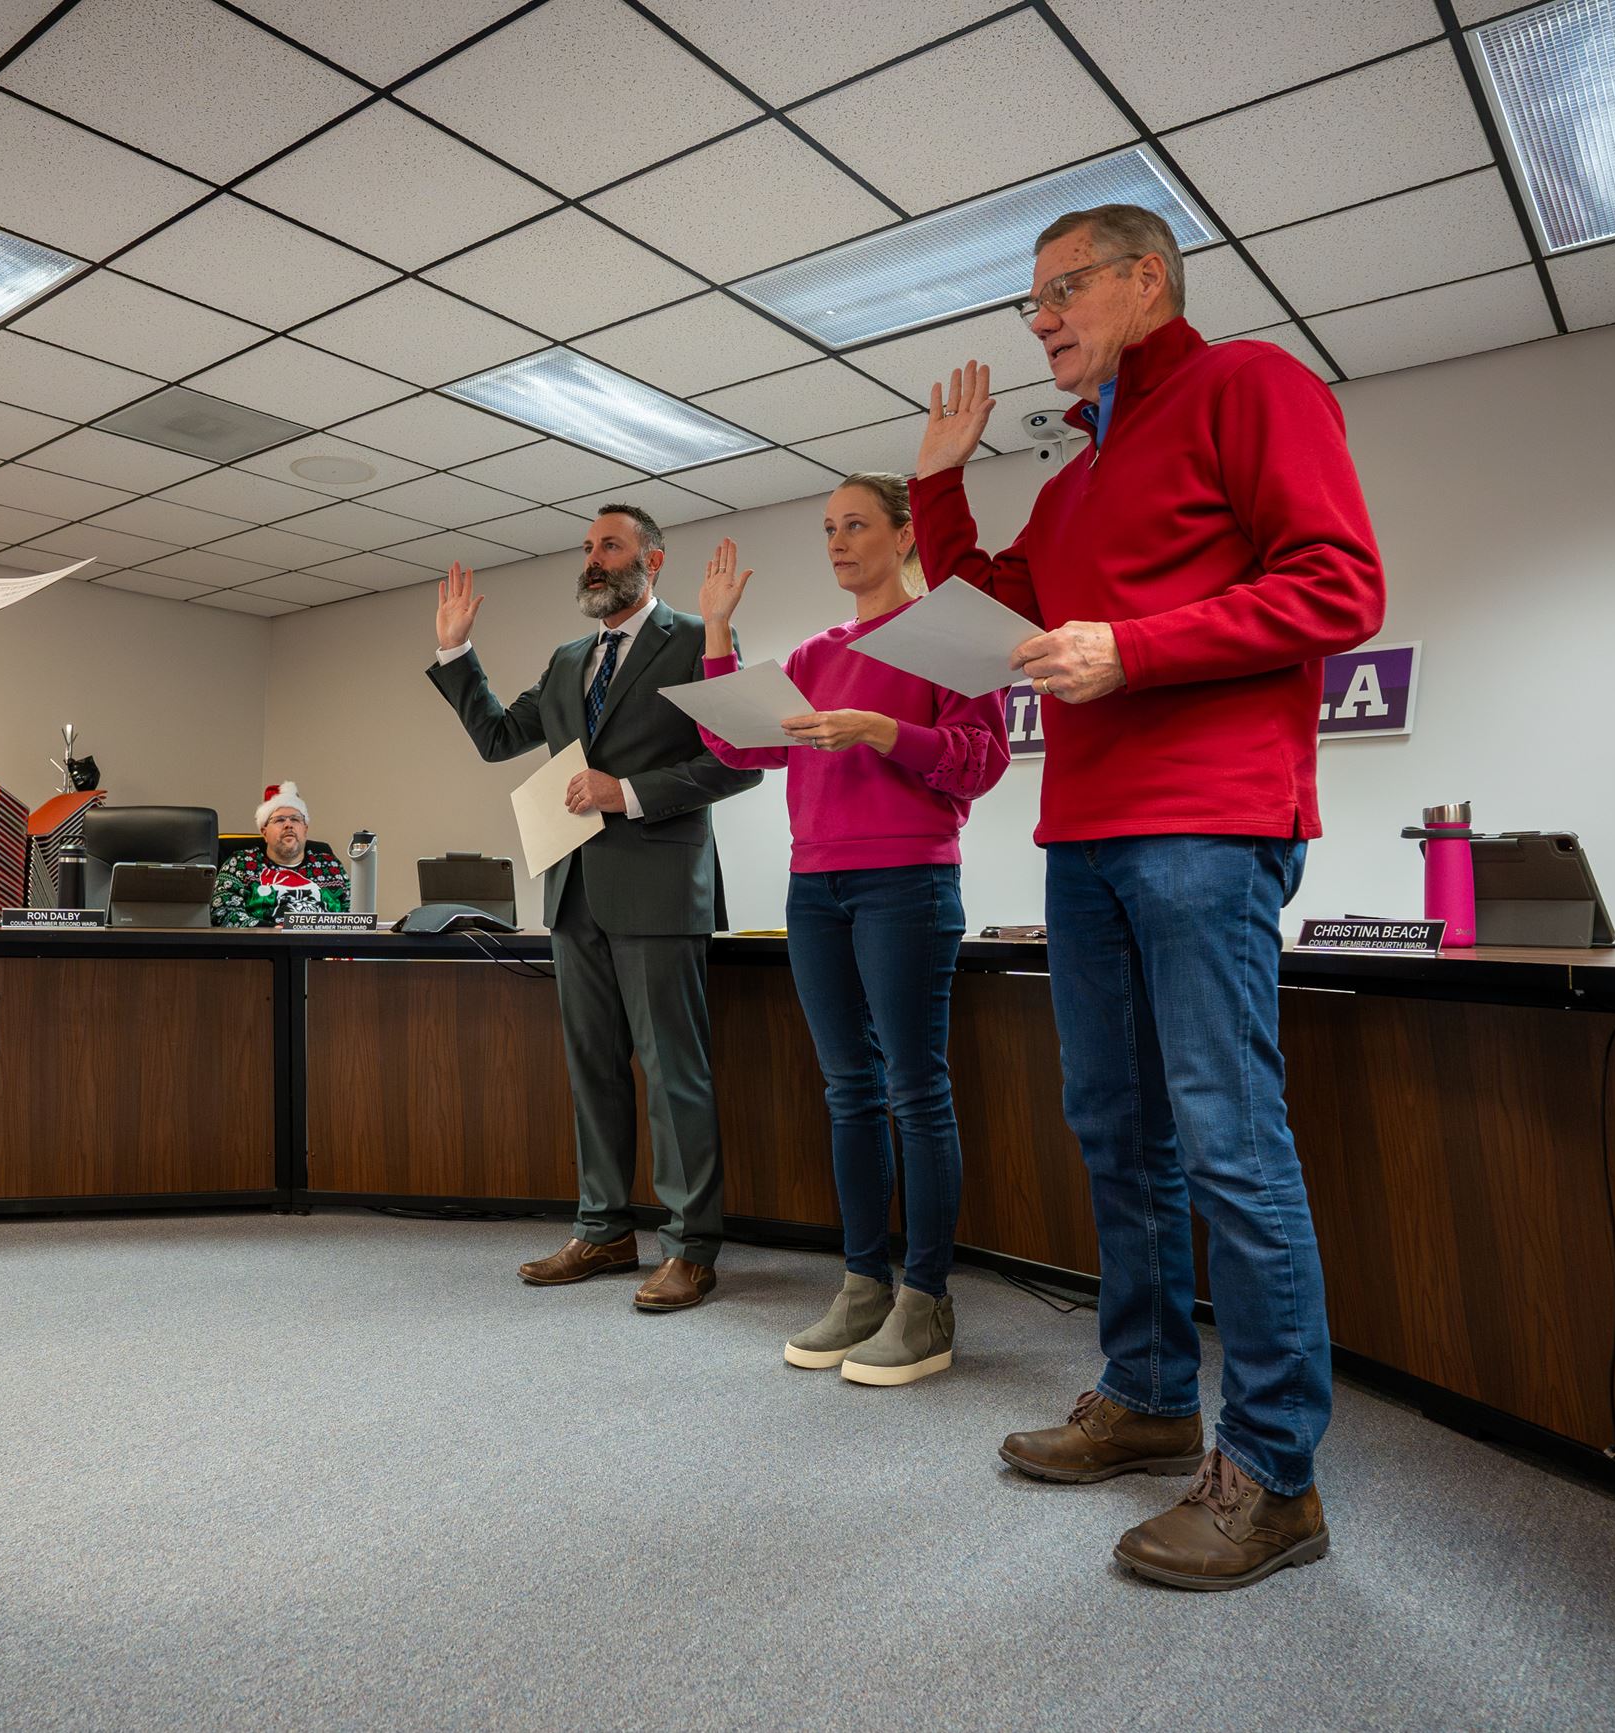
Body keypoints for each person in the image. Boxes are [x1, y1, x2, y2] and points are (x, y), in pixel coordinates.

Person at [908, 204, 1384, 1590]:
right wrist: (938, 486)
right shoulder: (1073, 480)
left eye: (1062, 289)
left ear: (1146, 279)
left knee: (1228, 1139)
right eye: (1031, 302)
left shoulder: (1249, 384)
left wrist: (1136, 648)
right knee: (1115, 1131)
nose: (1041, 318)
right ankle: (1150, 1393)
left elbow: (1340, 584)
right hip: (1086, 833)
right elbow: (994, 610)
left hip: (1207, 818)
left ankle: (1275, 1474)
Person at [692, 477, 1010, 1385]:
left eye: (856, 524)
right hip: (814, 887)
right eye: (829, 528)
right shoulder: (814, 653)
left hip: (907, 879)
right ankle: (865, 1284)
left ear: (905, 537)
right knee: (848, 1091)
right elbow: (737, 745)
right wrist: (716, 631)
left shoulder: (944, 635)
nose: (837, 541)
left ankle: (928, 1300)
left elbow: (982, 761)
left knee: (916, 1088)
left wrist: (885, 731)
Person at [428, 507, 761, 1310]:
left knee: (673, 1075)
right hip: (574, 892)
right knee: (593, 1069)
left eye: (610, 545)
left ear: (652, 558)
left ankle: (690, 1248)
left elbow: (740, 762)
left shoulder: (698, 640)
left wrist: (629, 792)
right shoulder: (569, 658)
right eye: (587, 548)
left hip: (660, 890)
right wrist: (455, 652)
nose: (593, 559)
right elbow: (499, 736)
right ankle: (604, 1228)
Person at [214, 782, 349, 925]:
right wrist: (272, 930)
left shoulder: (331, 866)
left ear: (305, 829)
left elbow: (355, 912)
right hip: (265, 938)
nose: (288, 825)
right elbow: (222, 912)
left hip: (325, 938)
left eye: (295, 819)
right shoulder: (241, 863)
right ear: (264, 832)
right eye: (279, 820)